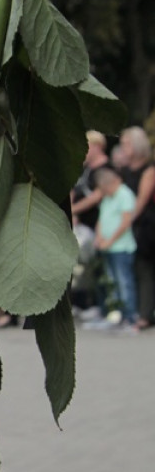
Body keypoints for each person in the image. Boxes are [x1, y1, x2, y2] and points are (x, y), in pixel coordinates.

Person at [118, 127, 155, 329]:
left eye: (127, 144)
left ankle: (145, 314)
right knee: (135, 268)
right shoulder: (124, 170)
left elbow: (141, 201)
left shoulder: (149, 169)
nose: (123, 148)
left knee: (144, 268)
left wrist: (127, 221)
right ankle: (138, 311)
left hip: (146, 225)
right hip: (130, 223)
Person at [94, 168, 138, 329]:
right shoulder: (108, 197)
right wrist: (99, 237)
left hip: (121, 247)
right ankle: (116, 314)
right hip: (108, 247)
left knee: (124, 282)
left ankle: (130, 316)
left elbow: (126, 222)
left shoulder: (124, 194)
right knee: (111, 282)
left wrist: (110, 240)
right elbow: (101, 219)